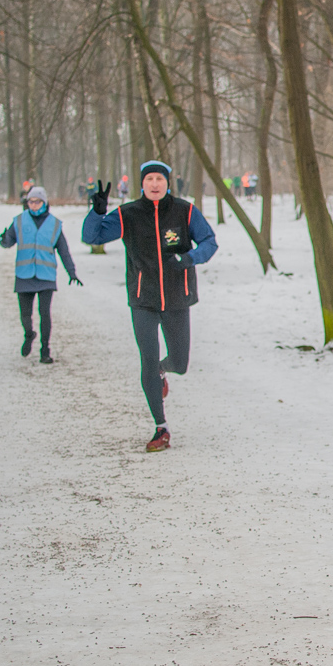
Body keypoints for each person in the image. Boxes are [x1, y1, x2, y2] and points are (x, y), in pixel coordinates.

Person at [82, 160, 217, 453]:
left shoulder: (185, 211)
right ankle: (161, 426)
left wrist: (189, 259)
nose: (154, 184)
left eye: (160, 179)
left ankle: (161, 371)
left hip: (178, 297)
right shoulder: (128, 214)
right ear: (141, 184)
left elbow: (209, 241)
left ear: (167, 183)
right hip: (143, 299)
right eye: (149, 179)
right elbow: (91, 237)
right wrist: (97, 213)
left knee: (180, 362)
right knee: (147, 357)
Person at [0, 186, 82, 364]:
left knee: (45, 313)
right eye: (31, 201)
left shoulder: (55, 224)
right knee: (25, 315)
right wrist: (3, 239)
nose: (34, 205)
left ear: (44, 202)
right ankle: (29, 334)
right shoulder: (19, 221)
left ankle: (45, 350)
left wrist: (72, 272)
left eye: (37, 201)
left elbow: (64, 251)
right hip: (24, 274)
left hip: (46, 275)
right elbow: (8, 242)